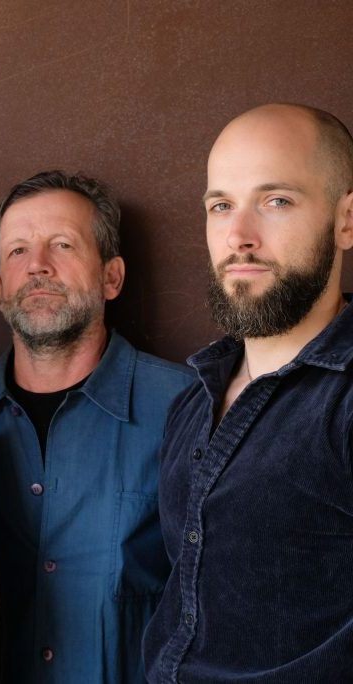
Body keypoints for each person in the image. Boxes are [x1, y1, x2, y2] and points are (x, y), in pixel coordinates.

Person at [0, 170, 193, 682]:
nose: (37, 265)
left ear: (111, 277)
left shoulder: (187, 409)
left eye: (62, 244)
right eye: (17, 251)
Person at [143, 104, 353, 681]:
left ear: (346, 221)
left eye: (276, 201)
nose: (238, 237)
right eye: (221, 206)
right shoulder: (194, 399)